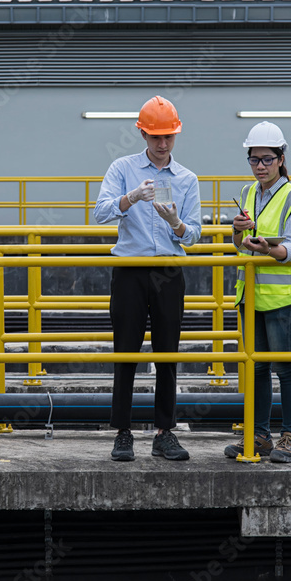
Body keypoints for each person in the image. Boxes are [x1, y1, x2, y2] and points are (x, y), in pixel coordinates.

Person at [93, 95, 202, 461]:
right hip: (130, 271)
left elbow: (195, 234)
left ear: (177, 135)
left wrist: (176, 223)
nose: (162, 144)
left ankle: (164, 432)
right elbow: (100, 213)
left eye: (169, 137)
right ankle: (122, 432)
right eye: (156, 137)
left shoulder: (187, 179)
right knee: (126, 351)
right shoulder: (122, 168)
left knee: (167, 353)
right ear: (142, 133)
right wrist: (131, 198)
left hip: (170, 271)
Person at [225, 121, 291, 464]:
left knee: (285, 366)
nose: (259, 166)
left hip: (282, 299)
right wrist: (237, 233)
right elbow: (239, 246)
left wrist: (265, 249)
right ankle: (260, 435)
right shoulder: (248, 193)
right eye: (253, 159)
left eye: (266, 159)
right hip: (251, 295)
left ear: (281, 158)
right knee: (257, 367)